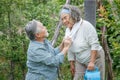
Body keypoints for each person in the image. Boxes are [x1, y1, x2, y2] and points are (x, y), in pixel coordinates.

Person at [60, 4, 105, 80]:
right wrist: (72, 63)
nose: (64, 21)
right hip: (80, 60)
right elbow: (69, 47)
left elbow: (94, 45)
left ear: (73, 16)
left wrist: (92, 62)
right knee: (77, 78)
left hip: (95, 58)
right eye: (62, 19)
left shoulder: (86, 26)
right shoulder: (68, 30)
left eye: (65, 18)